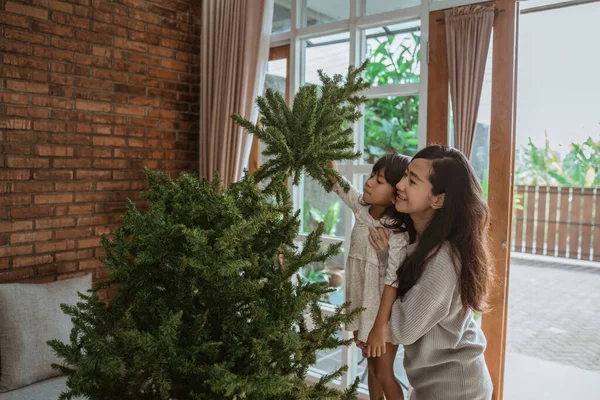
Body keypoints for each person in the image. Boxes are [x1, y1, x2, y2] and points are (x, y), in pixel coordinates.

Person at [368, 145, 494, 400]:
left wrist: (371, 325)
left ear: (438, 199)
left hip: (457, 390)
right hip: (431, 385)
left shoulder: (444, 260)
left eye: (412, 181)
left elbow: (403, 327)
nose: (400, 185)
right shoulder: (418, 242)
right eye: (404, 175)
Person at [327, 154, 410, 400]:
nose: (370, 182)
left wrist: (378, 327)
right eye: (372, 175)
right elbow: (340, 185)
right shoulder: (362, 209)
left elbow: (393, 281)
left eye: (380, 180)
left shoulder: (396, 231)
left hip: (381, 314)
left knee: (384, 373)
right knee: (372, 369)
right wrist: (326, 156)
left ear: (396, 193)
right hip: (361, 307)